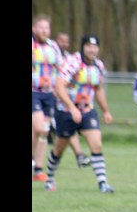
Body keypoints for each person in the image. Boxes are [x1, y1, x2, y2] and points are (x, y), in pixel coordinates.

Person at [45, 35, 115, 193]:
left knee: (96, 144)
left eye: (95, 46)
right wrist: (71, 108)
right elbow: (59, 86)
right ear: (83, 47)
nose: (92, 49)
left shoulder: (98, 65)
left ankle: (102, 183)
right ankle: (49, 178)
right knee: (59, 149)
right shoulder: (73, 62)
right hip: (65, 111)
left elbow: (98, 89)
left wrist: (105, 111)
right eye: (89, 46)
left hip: (87, 110)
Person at [53, 32, 92, 169]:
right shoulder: (50, 52)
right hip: (44, 95)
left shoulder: (71, 58)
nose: (64, 44)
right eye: (61, 40)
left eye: (66, 41)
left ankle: (79, 155)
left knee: (64, 131)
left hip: (60, 99)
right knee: (43, 131)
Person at [32, 14, 64, 182]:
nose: (45, 31)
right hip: (33, 92)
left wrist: (61, 87)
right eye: (41, 28)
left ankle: (37, 169)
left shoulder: (53, 47)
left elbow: (60, 67)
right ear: (34, 29)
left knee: (43, 132)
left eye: (47, 28)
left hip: (48, 94)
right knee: (38, 128)